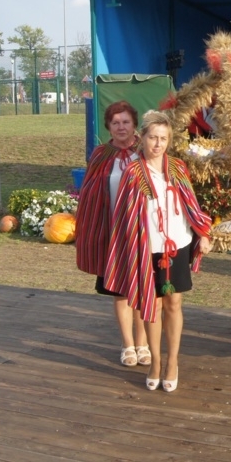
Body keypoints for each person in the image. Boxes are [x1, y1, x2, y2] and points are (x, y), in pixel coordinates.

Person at [103, 111, 213, 393]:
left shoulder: (177, 168)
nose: (158, 144)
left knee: (174, 302)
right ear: (142, 138)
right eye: (153, 137)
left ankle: (172, 362)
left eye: (163, 138)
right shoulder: (132, 172)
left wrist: (202, 233)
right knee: (151, 305)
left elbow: (190, 203)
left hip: (177, 244)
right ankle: (155, 361)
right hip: (146, 247)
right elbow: (124, 215)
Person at [75, 101, 149, 367]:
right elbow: (90, 193)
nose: (121, 127)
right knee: (120, 290)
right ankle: (128, 344)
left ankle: (143, 343)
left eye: (126, 122)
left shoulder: (146, 150)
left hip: (142, 230)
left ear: (134, 124)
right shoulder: (100, 154)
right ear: (108, 126)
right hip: (112, 231)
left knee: (143, 289)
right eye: (115, 122)